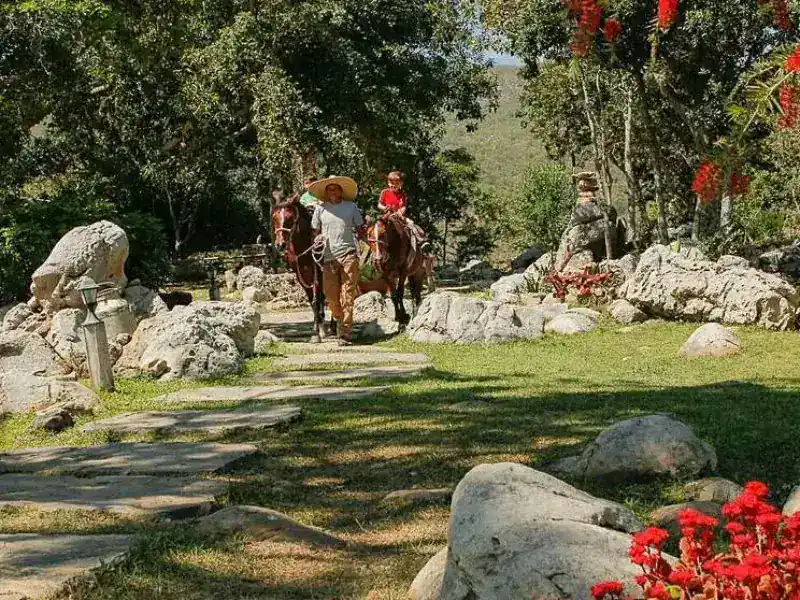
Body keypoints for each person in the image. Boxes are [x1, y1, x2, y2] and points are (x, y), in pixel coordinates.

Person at [310, 176, 364, 346]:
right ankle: (340, 320)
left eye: (336, 188)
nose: (332, 191)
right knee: (332, 298)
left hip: (348, 254)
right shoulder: (320, 209)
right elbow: (315, 231)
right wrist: (317, 239)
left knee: (347, 296)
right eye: (329, 189)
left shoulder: (351, 207)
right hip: (328, 257)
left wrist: (366, 247)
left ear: (341, 191)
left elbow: (360, 229)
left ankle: (345, 333)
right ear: (326, 192)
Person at [378, 171, 426, 250]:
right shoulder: (384, 192)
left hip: (399, 216)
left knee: (411, 223)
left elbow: (404, 206)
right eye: (391, 183)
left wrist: (399, 213)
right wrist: (384, 208)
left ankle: (421, 241)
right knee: (376, 227)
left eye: (396, 183)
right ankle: (371, 251)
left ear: (401, 184)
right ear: (388, 183)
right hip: (386, 215)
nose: (393, 185)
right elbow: (379, 204)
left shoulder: (403, 194)